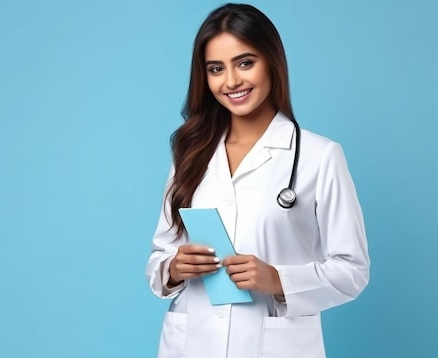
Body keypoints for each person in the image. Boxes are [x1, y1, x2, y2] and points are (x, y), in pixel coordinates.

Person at [146, 3, 370, 357]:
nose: (231, 81)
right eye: (216, 69)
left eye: (245, 63)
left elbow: (352, 271)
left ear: (272, 62)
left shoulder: (318, 156)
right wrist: (174, 268)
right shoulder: (190, 153)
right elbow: (160, 257)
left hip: (275, 345)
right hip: (191, 344)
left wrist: (278, 280)